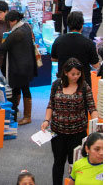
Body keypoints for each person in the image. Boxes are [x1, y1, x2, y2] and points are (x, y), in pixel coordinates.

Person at [41, 57, 99, 185]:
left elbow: (92, 107)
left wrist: (96, 123)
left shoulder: (83, 86)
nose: (76, 77)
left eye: (78, 74)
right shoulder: (56, 84)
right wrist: (46, 120)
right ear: (65, 72)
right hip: (58, 133)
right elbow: (51, 105)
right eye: (73, 74)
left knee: (76, 164)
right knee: (58, 163)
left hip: (78, 133)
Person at [0, 11, 37, 124]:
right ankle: (19, 114)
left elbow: (3, 47)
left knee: (17, 88)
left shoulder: (17, 33)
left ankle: (21, 115)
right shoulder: (26, 26)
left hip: (19, 66)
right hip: (26, 64)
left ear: (13, 21)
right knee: (22, 89)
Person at [51, 11, 100, 87]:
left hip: (64, 82)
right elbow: (96, 65)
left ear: (68, 25)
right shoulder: (88, 43)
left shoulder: (58, 40)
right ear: (82, 25)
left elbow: (53, 59)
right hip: (83, 83)